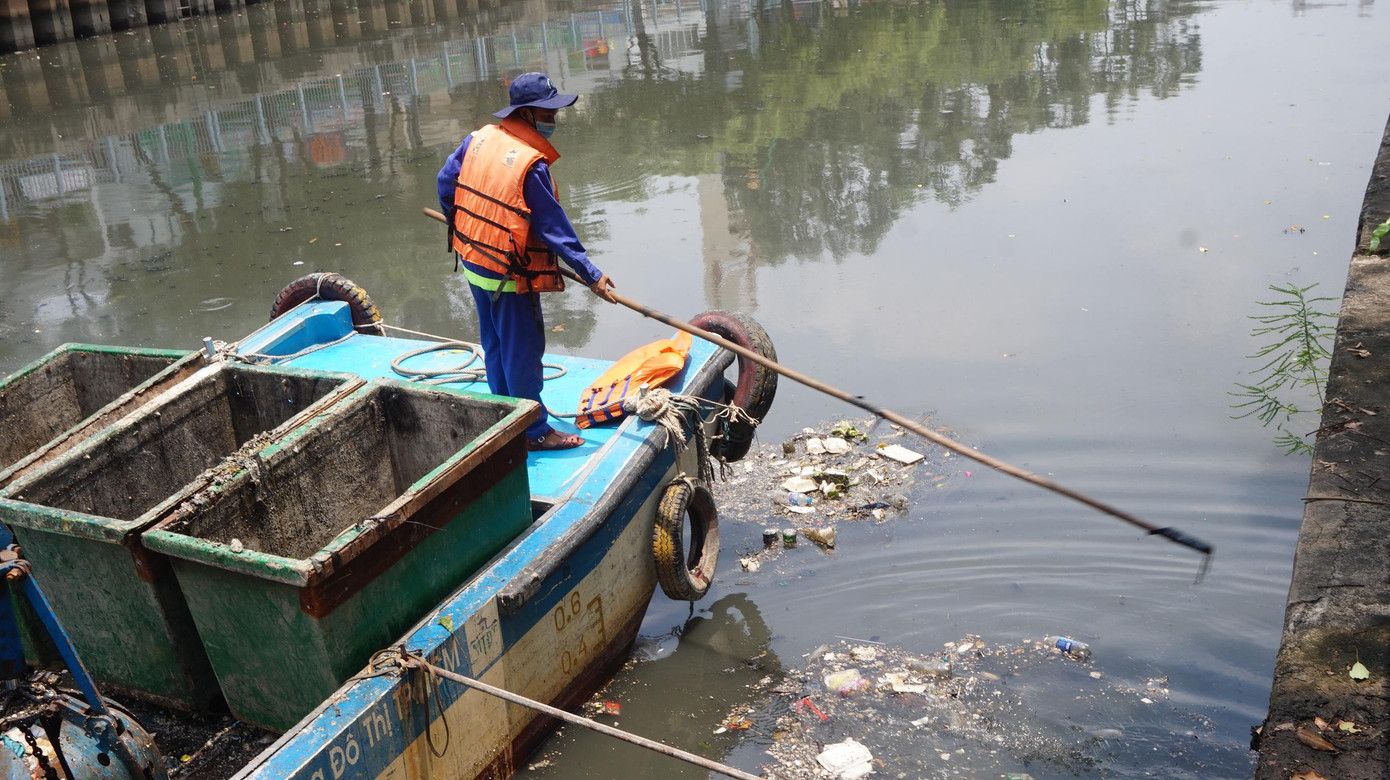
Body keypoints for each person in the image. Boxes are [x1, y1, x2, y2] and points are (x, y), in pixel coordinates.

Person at [437, 72, 617, 451]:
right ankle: (533, 431)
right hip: (508, 272)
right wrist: (592, 275)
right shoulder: (529, 165)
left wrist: (465, 225)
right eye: (548, 112)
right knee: (522, 352)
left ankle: (505, 416)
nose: (554, 119)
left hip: (475, 261)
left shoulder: (479, 138)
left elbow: (445, 182)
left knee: (495, 344)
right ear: (529, 114)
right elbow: (554, 229)